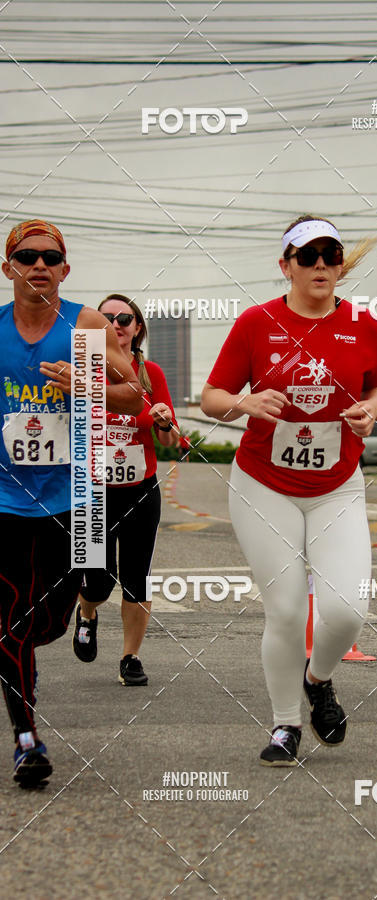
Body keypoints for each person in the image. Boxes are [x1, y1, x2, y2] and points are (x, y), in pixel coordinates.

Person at [201, 215, 377, 766]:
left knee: (348, 609)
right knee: (283, 611)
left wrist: (371, 410)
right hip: (264, 485)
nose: (322, 265)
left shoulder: (363, 326)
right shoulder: (257, 323)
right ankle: (285, 724)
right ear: (286, 266)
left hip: (336, 488)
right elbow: (211, 396)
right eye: (309, 256)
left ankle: (319, 678)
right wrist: (246, 403)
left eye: (331, 255)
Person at [0, 220, 143, 786]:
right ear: (9, 267)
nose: (39, 265)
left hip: (77, 498)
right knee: (11, 619)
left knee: (49, 621)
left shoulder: (84, 326)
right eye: (26, 256)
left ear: (65, 268)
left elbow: (134, 395)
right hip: (6, 498)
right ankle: (26, 740)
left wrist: (85, 387)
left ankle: (49, 633)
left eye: (50, 257)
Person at [72, 294, 178, 686]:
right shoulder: (82, 370)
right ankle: (87, 613)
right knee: (98, 580)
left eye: (125, 318)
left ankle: (130, 657)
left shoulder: (150, 373)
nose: (116, 323)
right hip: (92, 491)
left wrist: (164, 422)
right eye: (107, 317)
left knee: (137, 577)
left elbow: (170, 444)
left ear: (137, 329)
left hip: (140, 490)